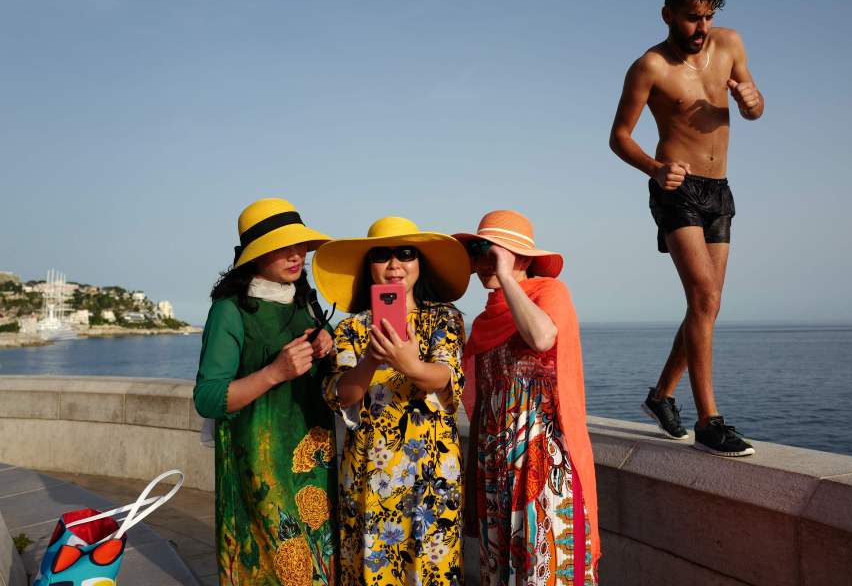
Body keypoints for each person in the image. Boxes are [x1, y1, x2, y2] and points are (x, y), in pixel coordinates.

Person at [609, 0, 764, 456]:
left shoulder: (731, 44)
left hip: (720, 189)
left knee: (708, 304)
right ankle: (709, 421)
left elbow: (754, 108)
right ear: (668, 14)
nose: (701, 28)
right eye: (692, 18)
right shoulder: (649, 67)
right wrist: (655, 170)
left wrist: (753, 102)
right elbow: (619, 136)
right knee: (703, 297)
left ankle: (660, 397)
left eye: (708, 17)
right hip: (676, 189)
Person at [312, 216, 470, 586]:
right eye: (382, 255)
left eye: (406, 253)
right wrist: (371, 360)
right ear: (369, 267)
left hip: (431, 474)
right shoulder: (350, 329)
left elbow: (446, 378)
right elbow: (341, 394)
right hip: (370, 473)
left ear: (419, 264)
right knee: (372, 570)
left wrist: (409, 363)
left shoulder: (443, 319)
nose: (395, 264)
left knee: (431, 570)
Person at [193, 197, 339, 585]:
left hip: (315, 464)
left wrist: (328, 343)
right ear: (255, 255)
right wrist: (274, 372)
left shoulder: (307, 301)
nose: (296, 255)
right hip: (259, 468)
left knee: (318, 567)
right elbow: (207, 398)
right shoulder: (231, 310)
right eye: (282, 247)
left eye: (300, 246)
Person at [455, 210, 600, 586]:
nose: (485, 260)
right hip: (494, 460)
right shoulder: (487, 317)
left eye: (494, 250)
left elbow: (541, 338)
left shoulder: (549, 292)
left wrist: (506, 276)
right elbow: (482, 399)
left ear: (520, 256)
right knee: (501, 569)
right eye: (478, 251)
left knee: (542, 567)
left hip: (542, 458)